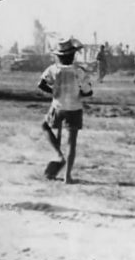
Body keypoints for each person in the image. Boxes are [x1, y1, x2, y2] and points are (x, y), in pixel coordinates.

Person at [38, 38, 93, 184]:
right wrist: (80, 93)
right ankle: (67, 176)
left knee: (45, 126)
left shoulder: (53, 69)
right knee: (71, 142)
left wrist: (54, 91)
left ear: (58, 56)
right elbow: (88, 92)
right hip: (74, 108)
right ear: (73, 55)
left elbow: (41, 84)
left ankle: (58, 154)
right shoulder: (79, 71)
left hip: (58, 106)